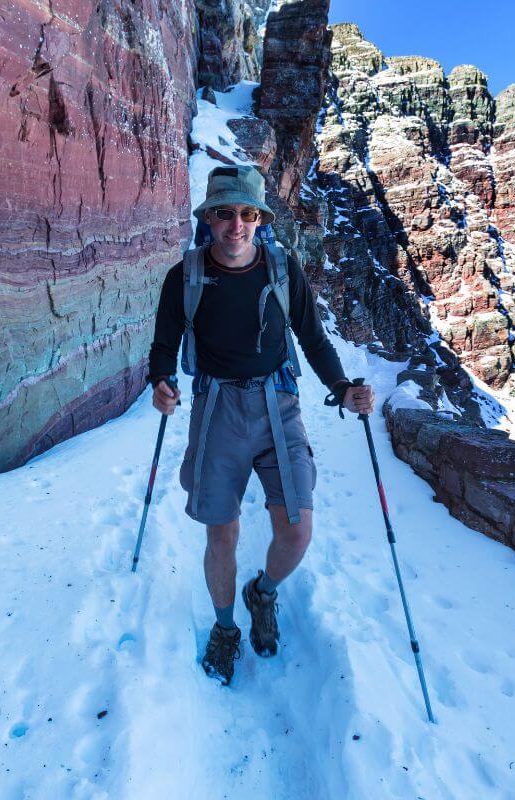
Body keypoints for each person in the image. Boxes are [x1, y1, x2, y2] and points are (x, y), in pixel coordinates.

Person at [146, 165, 374, 685]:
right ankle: (226, 627)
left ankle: (262, 592)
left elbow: (312, 337)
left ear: (259, 219)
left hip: (278, 403)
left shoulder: (280, 265)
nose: (236, 225)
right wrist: (161, 380)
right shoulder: (184, 276)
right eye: (225, 213)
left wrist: (341, 390)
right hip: (217, 406)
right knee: (220, 531)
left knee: (296, 531)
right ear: (208, 218)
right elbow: (163, 341)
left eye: (247, 214)